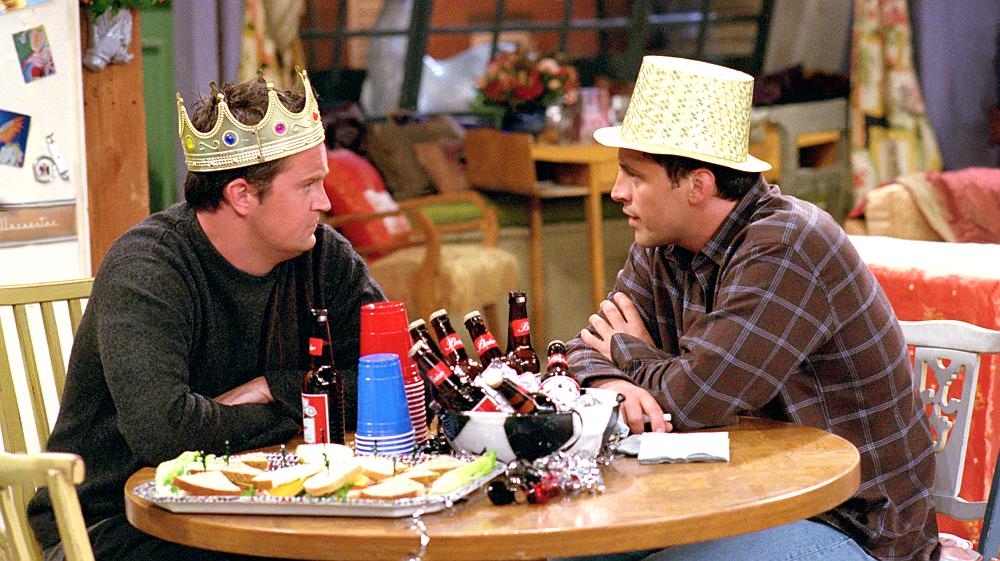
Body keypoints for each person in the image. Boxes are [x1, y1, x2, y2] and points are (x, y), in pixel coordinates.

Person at [566, 56, 939, 561]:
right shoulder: (660, 243)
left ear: (697, 186)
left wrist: (629, 354)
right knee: (570, 548)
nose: (618, 192)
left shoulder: (786, 245)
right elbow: (580, 349)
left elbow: (692, 403)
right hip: (736, 495)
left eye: (635, 176)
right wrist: (610, 382)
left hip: (850, 522)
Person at [28, 69, 385, 560]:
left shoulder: (323, 257)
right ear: (241, 195)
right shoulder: (148, 267)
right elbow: (166, 434)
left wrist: (276, 387)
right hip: (115, 522)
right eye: (308, 185)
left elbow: (401, 385)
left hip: (259, 506)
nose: (324, 202)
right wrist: (304, 406)